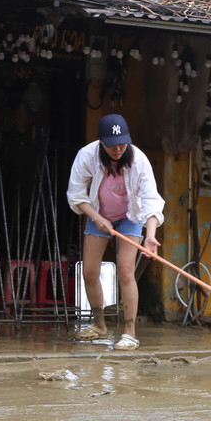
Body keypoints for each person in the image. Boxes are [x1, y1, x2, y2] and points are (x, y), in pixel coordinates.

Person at [66, 113, 164, 350]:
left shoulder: (139, 160)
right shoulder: (87, 156)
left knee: (125, 270)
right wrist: (97, 218)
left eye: (123, 144)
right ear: (101, 141)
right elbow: (76, 195)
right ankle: (100, 326)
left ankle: (129, 333)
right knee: (89, 271)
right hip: (98, 213)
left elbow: (151, 199)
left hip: (131, 217)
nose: (119, 149)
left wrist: (150, 235)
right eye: (112, 146)